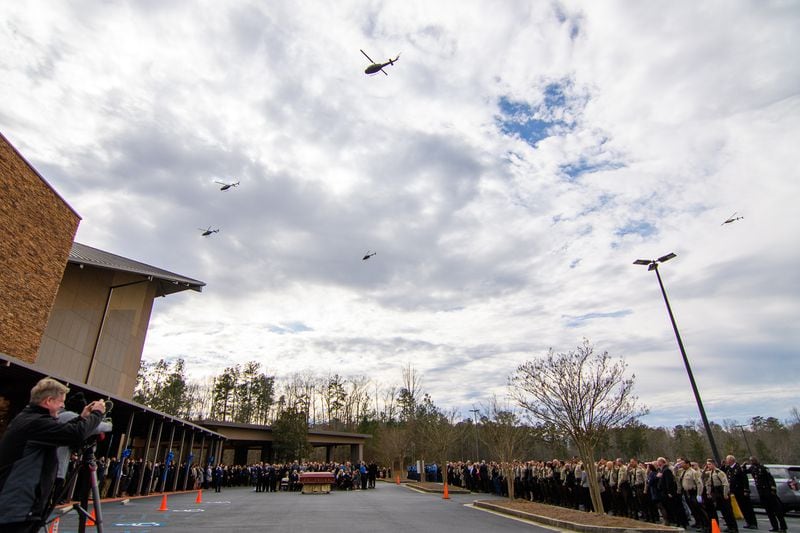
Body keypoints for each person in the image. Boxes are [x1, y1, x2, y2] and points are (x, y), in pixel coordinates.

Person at [0, 378, 106, 533]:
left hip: (19, 507)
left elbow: (62, 431)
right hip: (16, 509)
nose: (63, 406)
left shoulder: (30, 419)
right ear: (48, 401)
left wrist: (82, 418)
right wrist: (97, 414)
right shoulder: (35, 423)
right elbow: (76, 434)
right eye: (60, 401)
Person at [749, 457, 787, 533]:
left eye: (753, 460)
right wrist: (743, 465)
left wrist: (773, 489)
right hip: (762, 493)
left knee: (777, 511)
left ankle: (783, 527)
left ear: (756, 461)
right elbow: (744, 471)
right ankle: (775, 527)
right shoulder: (753, 469)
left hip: (768, 492)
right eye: (751, 461)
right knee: (769, 512)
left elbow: (770, 479)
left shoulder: (763, 468)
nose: (752, 462)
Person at [725, 454, 758, 530]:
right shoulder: (729, 469)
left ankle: (753, 523)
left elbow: (744, 480)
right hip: (735, 491)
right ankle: (748, 522)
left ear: (731, 460)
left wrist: (746, 490)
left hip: (741, 491)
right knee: (742, 507)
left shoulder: (739, 468)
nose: (726, 461)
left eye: (727, 459)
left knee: (747, 507)